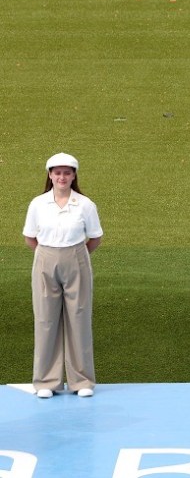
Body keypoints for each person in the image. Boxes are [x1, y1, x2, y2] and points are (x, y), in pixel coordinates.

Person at [22, 153, 104, 399]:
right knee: (46, 320)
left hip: (76, 257)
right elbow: (29, 238)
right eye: (57, 172)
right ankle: (47, 381)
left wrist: (75, 256)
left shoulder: (85, 205)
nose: (62, 177)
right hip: (45, 257)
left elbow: (95, 237)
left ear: (74, 175)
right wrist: (49, 256)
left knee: (79, 318)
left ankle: (82, 381)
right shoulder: (38, 204)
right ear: (49, 175)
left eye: (67, 173)